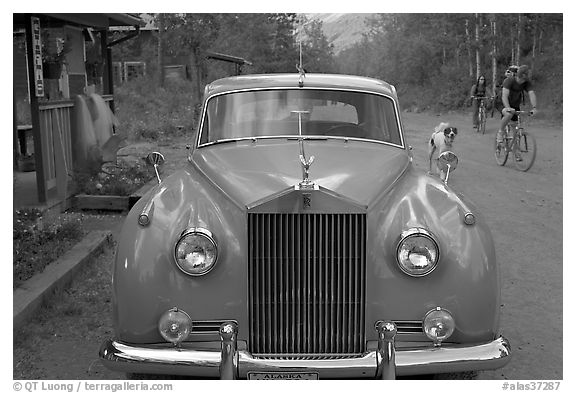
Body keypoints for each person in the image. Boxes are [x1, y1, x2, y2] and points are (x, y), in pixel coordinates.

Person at [496, 65, 537, 146]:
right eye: (528, 74)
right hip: (501, 102)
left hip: (514, 104)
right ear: (523, 75)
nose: (530, 76)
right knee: (508, 114)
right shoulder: (509, 81)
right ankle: (500, 132)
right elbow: (504, 96)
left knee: (515, 130)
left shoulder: (526, 83)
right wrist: (508, 108)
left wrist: (534, 108)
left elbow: (531, 93)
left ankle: (516, 151)